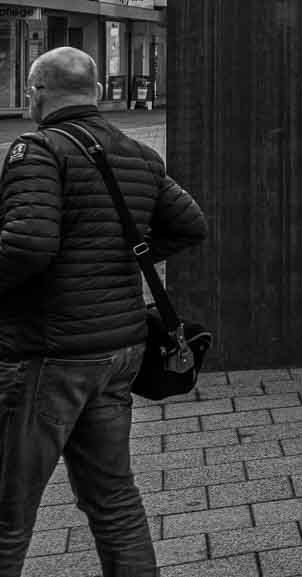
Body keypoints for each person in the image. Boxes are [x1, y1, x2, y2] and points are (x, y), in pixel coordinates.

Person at [0, 47, 207, 575]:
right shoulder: (135, 151)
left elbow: (27, 245)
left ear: (38, 91)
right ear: (94, 91)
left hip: (49, 353)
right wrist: (120, 254)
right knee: (114, 500)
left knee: (8, 510)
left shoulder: (38, 150)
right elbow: (189, 225)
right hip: (119, 349)